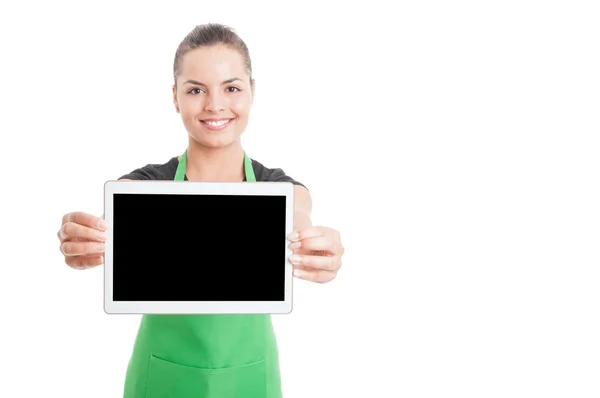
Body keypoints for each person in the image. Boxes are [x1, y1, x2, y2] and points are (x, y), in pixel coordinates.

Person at [56, 23, 344, 398]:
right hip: (161, 375)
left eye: (232, 88)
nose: (215, 105)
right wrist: (88, 237)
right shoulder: (148, 185)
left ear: (252, 92)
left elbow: (297, 211)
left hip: (250, 377)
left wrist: (314, 245)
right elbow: (119, 213)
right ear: (175, 96)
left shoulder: (276, 188)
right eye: (195, 90)